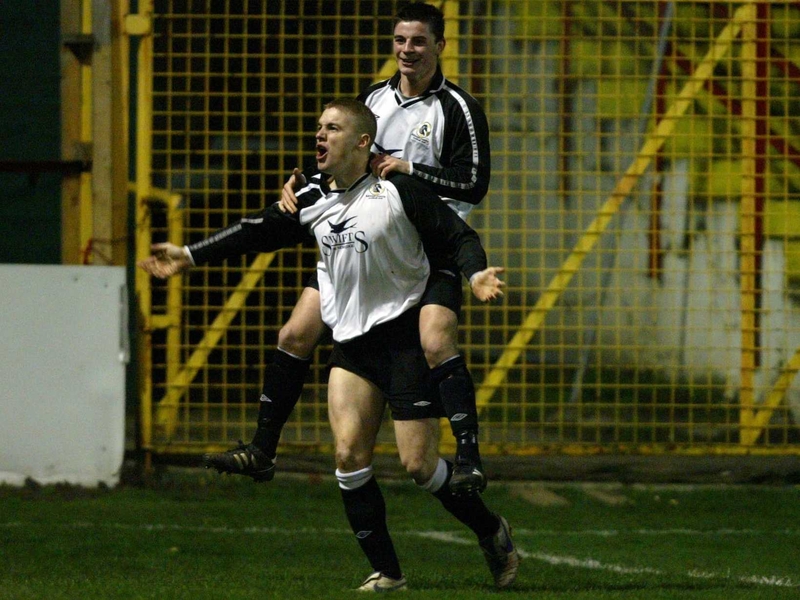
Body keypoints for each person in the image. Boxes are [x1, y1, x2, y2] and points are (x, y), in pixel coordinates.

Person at [138, 99, 518, 591]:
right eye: (318, 127)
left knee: (420, 467)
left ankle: (492, 531)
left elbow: (459, 236)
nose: (320, 136)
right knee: (346, 455)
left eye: (333, 129)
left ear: (363, 142)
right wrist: (189, 255)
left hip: (402, 339)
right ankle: (388, 572)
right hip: (354, 346)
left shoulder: (398, 189)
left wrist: (474, 274)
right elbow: (255, 232)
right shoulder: (311, 196)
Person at [211, 1, 492, 494]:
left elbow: (473, 184)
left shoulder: (458, 108)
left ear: (440, 46)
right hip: (366, 236)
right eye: (401, 40)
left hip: (428, 247)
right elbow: (344, 159)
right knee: (296, 330)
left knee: (435, 337)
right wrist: (302, 184)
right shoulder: (374, 100)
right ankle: (262, 449)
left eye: (419, 41)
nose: (408, 50)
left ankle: (469, 457)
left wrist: (410, 169)